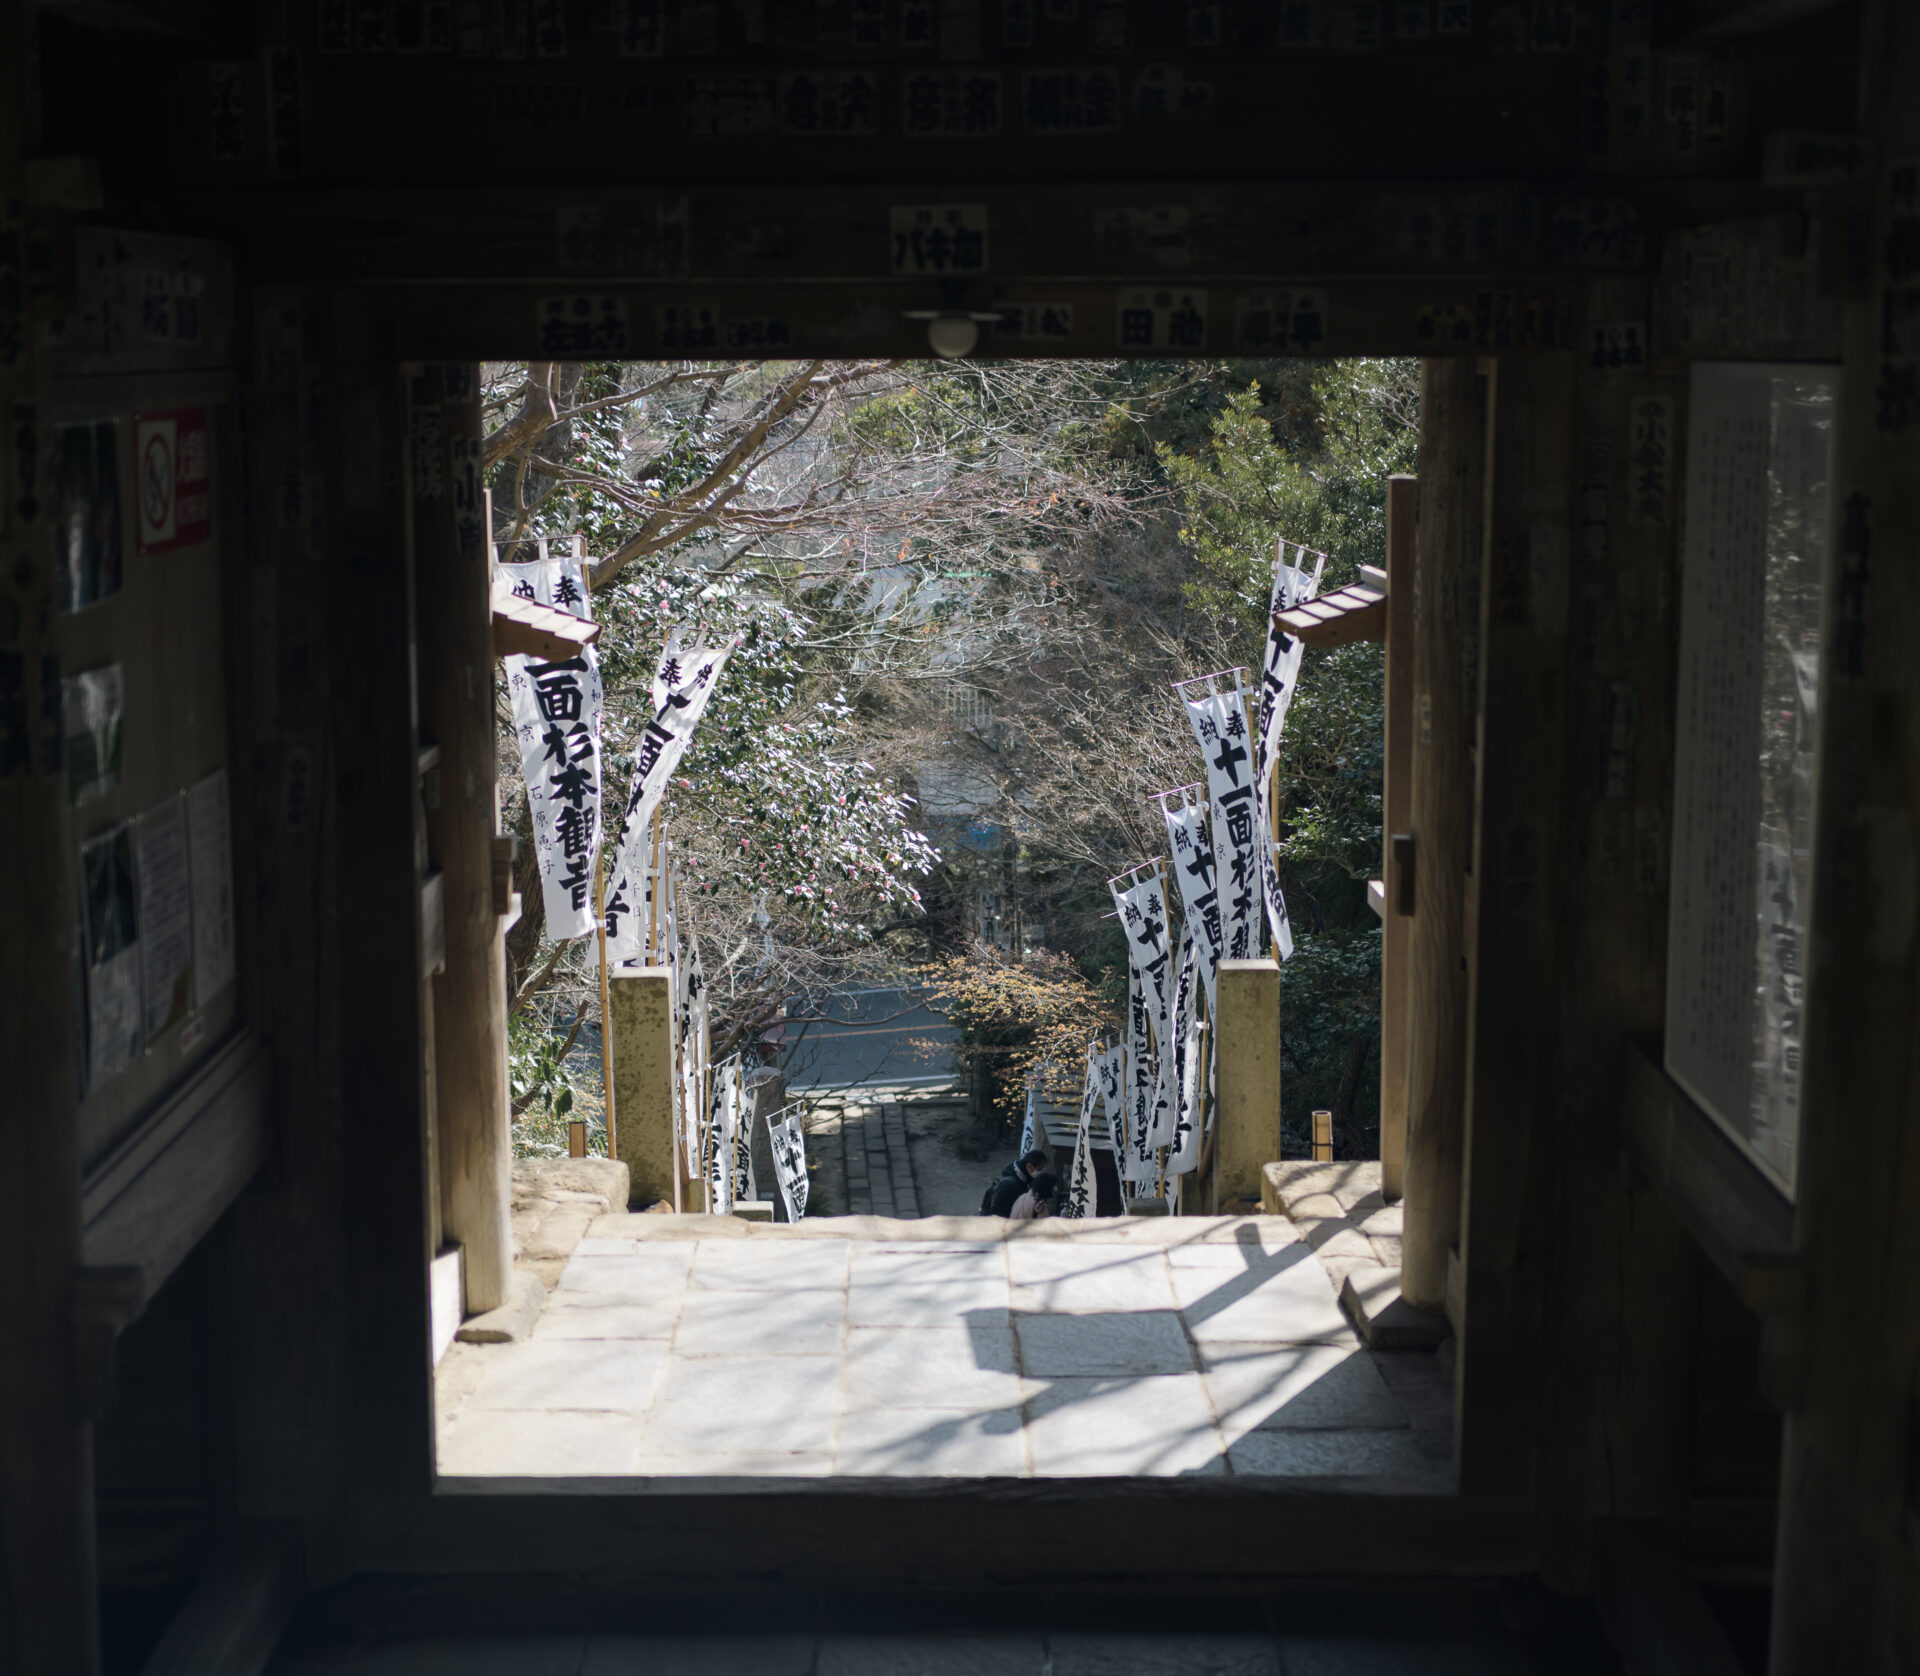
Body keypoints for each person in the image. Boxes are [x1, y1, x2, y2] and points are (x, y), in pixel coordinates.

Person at [982, 1148, 1051, 1217]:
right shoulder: (1008, 1186)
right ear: (1029, 1166)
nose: (1040, 1173)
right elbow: (997, 1214)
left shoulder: (1026, 1181)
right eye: (1039, 1169)